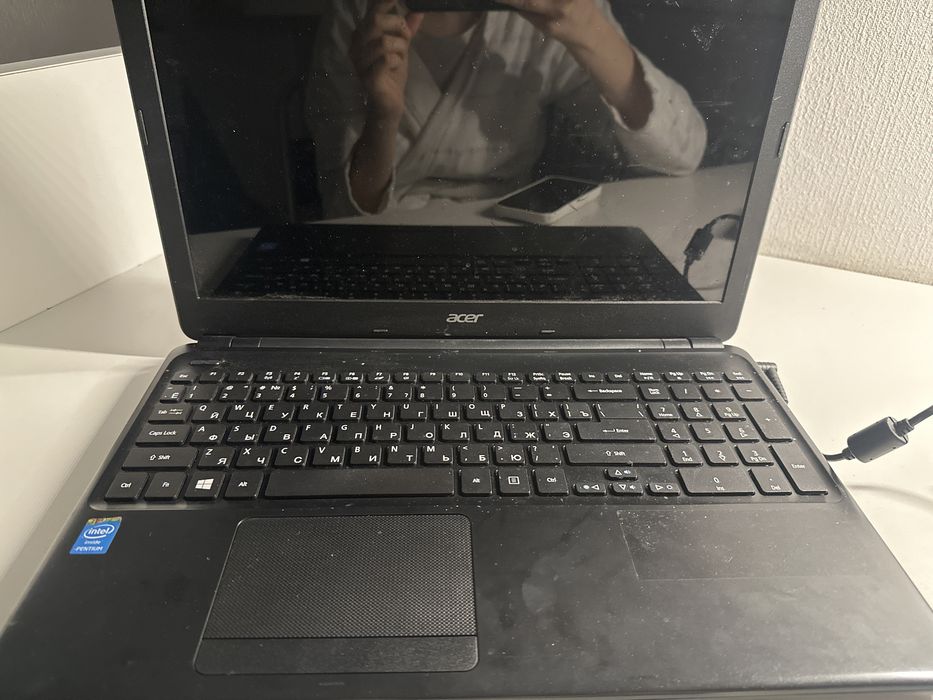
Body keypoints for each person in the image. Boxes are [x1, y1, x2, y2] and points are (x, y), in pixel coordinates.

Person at [310, 0, 708, 217]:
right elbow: (342, 209)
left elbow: (682, 153)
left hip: (509, 230)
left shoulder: (552, 11)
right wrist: (384, 115)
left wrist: (591, 29)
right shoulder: (359, 12)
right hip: (385, 240)